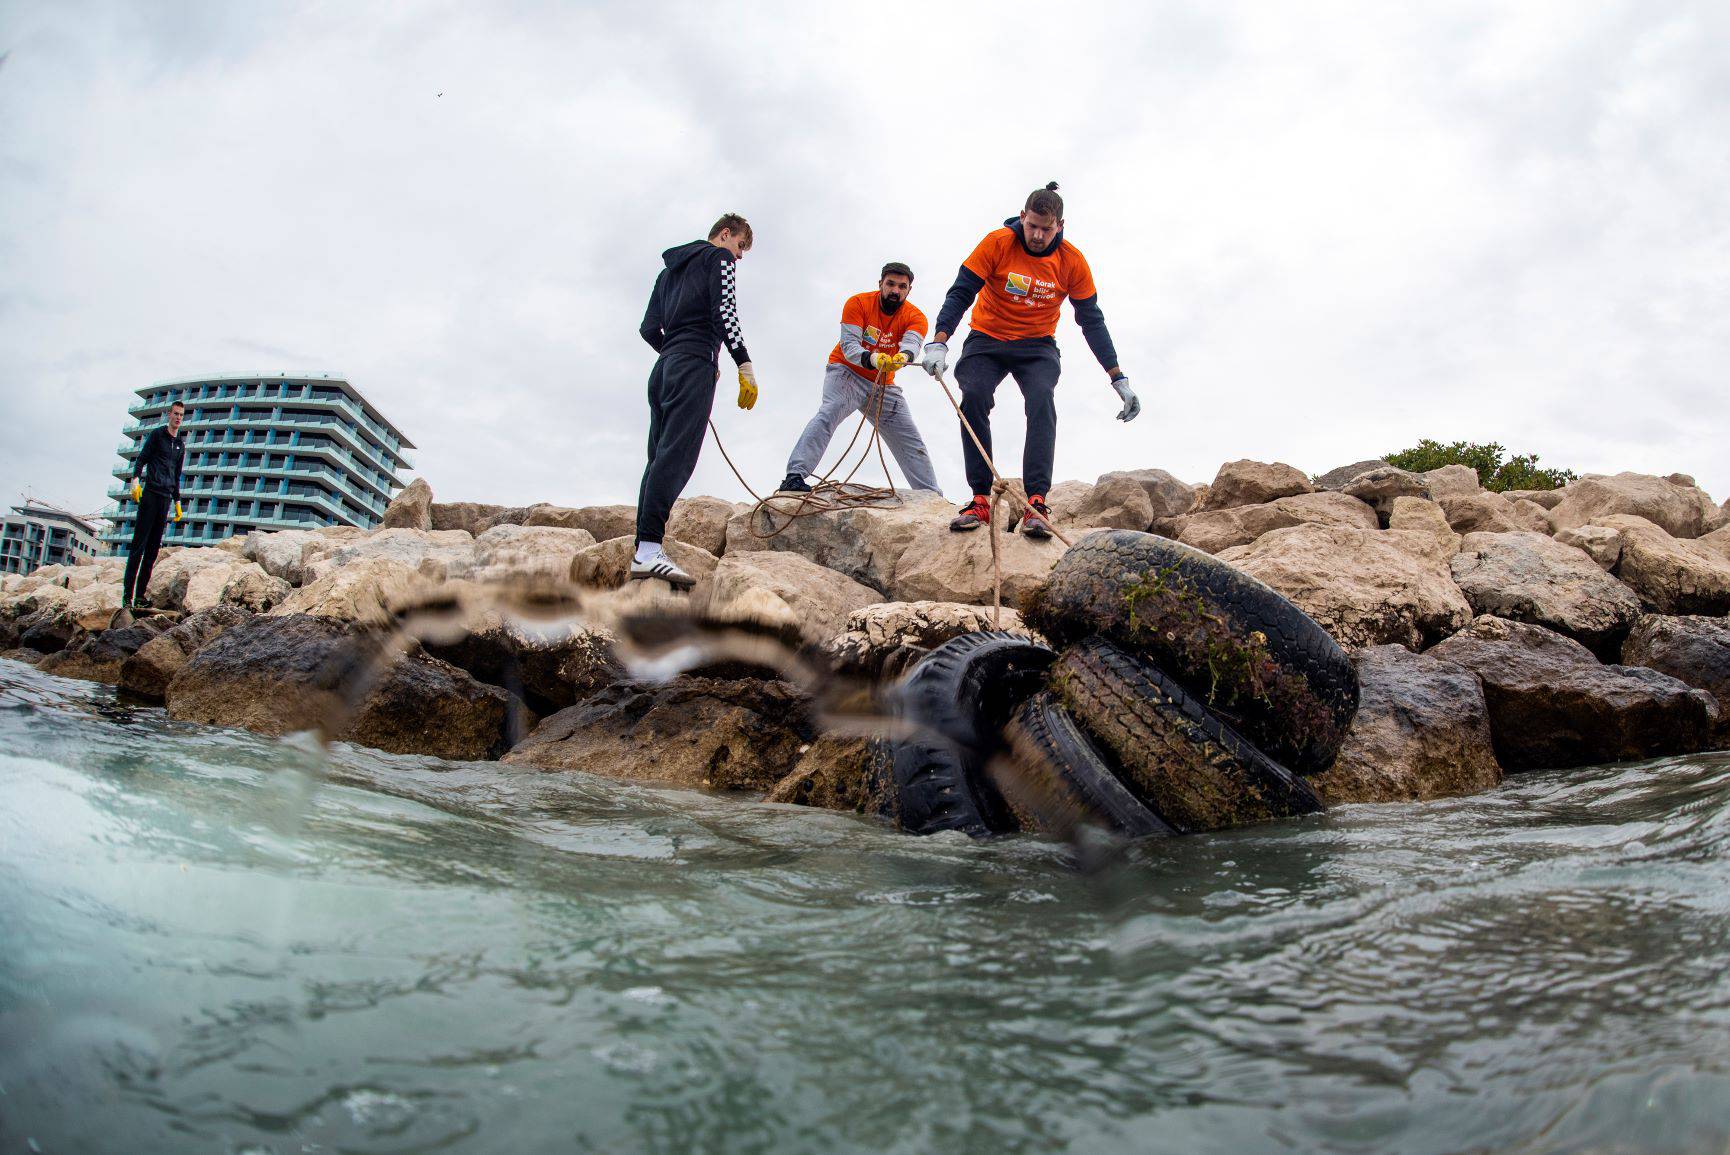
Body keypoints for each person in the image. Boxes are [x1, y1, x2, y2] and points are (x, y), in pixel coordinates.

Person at [920, 182, 1140, 538]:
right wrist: (939, 342)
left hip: (1037, 346)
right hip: (986, 339)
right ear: (1022, 217)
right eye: (1032, 225)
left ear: (1061, 226)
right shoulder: (996, 243)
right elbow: (961, 292)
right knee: (973, 396)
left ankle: (1036, 502)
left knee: (1041, 399)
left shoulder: (1071, 261)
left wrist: (1118, 378)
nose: (1037, 235)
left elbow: (1091, 320)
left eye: (1046, 228)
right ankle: (979, 499)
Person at [632, 213, 757, 588]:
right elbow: (726, 313)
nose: (738, 258)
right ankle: (649, 549)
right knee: (677, 457)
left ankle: (645, 546)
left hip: (664, 368)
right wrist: (742, 363)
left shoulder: (667, 273)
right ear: (724, 235)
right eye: (740, 247)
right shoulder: (716, 259)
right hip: (692, 365)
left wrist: (674, 350)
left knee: (658, 457)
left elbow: (647, 328)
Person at [777, 262, 940, 495]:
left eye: (902, 287)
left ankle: (931, 496)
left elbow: (911, 345)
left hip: (883, 384)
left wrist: (902, 357)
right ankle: (794, 477)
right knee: (829, 413)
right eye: (890, 284)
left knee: (910, 439)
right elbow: (849, 345)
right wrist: (873, 359)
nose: (895, 291)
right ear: (880, 284)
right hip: (846, 372)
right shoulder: (858, 303)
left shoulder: (916, 317)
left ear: (909, 290)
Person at [122, 398, 187, 608]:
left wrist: (177, 502)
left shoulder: (180, 445)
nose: (178, 418)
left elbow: (176, 476)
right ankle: (127, 596)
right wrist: (134, 480)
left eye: (181, 415)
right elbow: (141, 459)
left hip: (165, 499)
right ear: (169, 414)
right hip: (150, 494)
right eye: (175, 414)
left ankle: (140, 596)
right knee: (138, 547)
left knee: (152, 551)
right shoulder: (157, 435)